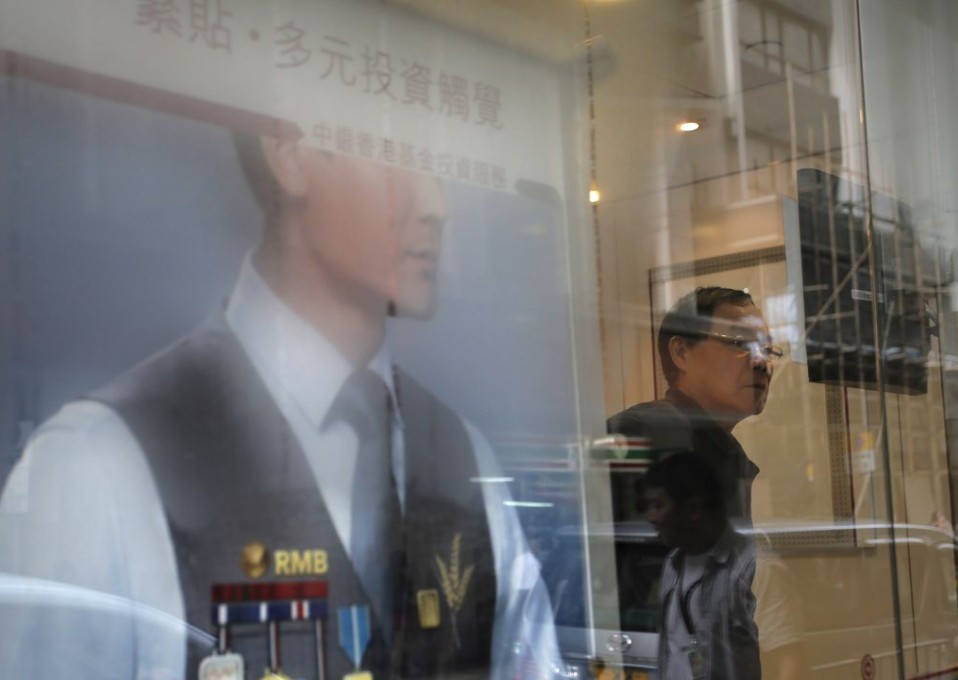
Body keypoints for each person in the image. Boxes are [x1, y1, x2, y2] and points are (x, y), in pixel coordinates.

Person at [0, 131, 561, 678]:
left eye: (436, 169)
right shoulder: (98, 465)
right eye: (396, 160)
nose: (436, 205)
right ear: (288, 154)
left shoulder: (466, 460)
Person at [608, 286, 779, 525]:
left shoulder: (727, 454)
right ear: (681, 353)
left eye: (768, 350)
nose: (762, 361)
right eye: (741, 343)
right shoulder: (639, 435)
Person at [644, 452, 760, 679]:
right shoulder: (672, 565)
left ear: (693, 509)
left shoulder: (749, 566)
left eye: (657, 505)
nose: (651, 517)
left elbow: (786, 660)